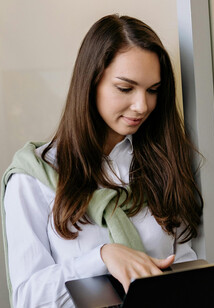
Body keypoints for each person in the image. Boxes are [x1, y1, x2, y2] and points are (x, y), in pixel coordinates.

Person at [1, 14, 203, 307]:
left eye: (153, 90)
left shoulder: (162, 164)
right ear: (90, 82)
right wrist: (102, 256)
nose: (142, 105)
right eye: (125, 88)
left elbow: (182, 267)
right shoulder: (33, 176)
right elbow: (27, 299)